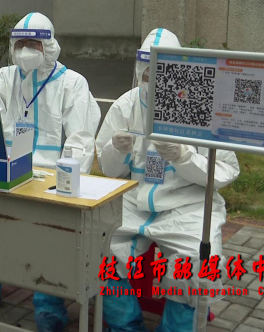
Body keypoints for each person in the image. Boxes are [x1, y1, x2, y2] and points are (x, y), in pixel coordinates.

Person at [0, 12, 101, 329]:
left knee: (54, 227)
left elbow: (80, 144)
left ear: (48, 46)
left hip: (51, 182)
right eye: (21, 43)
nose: (26, 50)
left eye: (34, 44)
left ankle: (50, 297)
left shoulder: (71, 84)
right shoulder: (4, 79)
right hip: (6, 176)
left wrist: (61, 187)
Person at [95, 28, 240, 332]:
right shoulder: (126, 105)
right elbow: (109, 171)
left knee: (198, 263)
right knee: (97, 249)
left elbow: (225, 170)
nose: (155, 81)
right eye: (148, 74)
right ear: (140, 72)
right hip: (134, 200)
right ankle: (125, 325)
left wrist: (185, 158)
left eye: (163, 72)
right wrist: (115, 150)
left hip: (188, 205)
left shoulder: (203, 104)